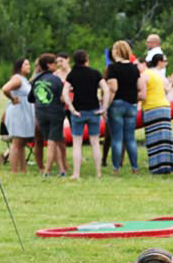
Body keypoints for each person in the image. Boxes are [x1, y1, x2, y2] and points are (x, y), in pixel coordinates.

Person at [63, 49, 110, 179]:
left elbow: (65, 92)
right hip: (94, 111)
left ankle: (76, 174)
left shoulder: (72, 74)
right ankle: (98, 173)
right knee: (95, 142)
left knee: (77, 143)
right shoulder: (95, 73)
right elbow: (106, 89)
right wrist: (104, 107)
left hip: (78, 112)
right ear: (86, 60)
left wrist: (71, 108)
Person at [106, 40, 145, 173]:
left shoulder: (113, 68)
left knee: (117, 138)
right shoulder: (135, 68)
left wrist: (106, 105)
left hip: (117, 104)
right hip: (131, 105)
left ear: (116, 51)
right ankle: (135, 167)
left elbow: (113, 88)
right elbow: (141, 88)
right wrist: (135, 98)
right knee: (130, 138)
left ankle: (116, 167)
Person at [29, 53, 66, 176]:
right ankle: (47, 171)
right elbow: (62, 97)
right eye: (55, 63)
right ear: (49, 65)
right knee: (52, 142)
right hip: (55, 113)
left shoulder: (36, 79)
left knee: (54, 141)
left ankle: (61, 170)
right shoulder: (56, 79)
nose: (56, 65)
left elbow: (31, 98)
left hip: (41, 113)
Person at [141, 54, 173, 174]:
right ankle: (168, 164)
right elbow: (167, 89)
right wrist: (171, 81)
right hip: (165, 107)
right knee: (165, 138)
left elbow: (143, 94)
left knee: (154, 139)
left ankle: (156, 166)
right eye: (165, 61)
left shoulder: (146, 75)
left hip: (151, 107)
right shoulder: (160, 75)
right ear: (159, 62)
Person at [2, 57, 34, 173]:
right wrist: (12, 98)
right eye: (26, 64)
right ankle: (13, 170)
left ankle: (23, 169)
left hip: (24, 112)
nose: (28, 66)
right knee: (16, 143)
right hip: (17, 113)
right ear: (19, 66)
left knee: (22, 142)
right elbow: (5, 88)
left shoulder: (24, 79)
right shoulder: (17, 79)